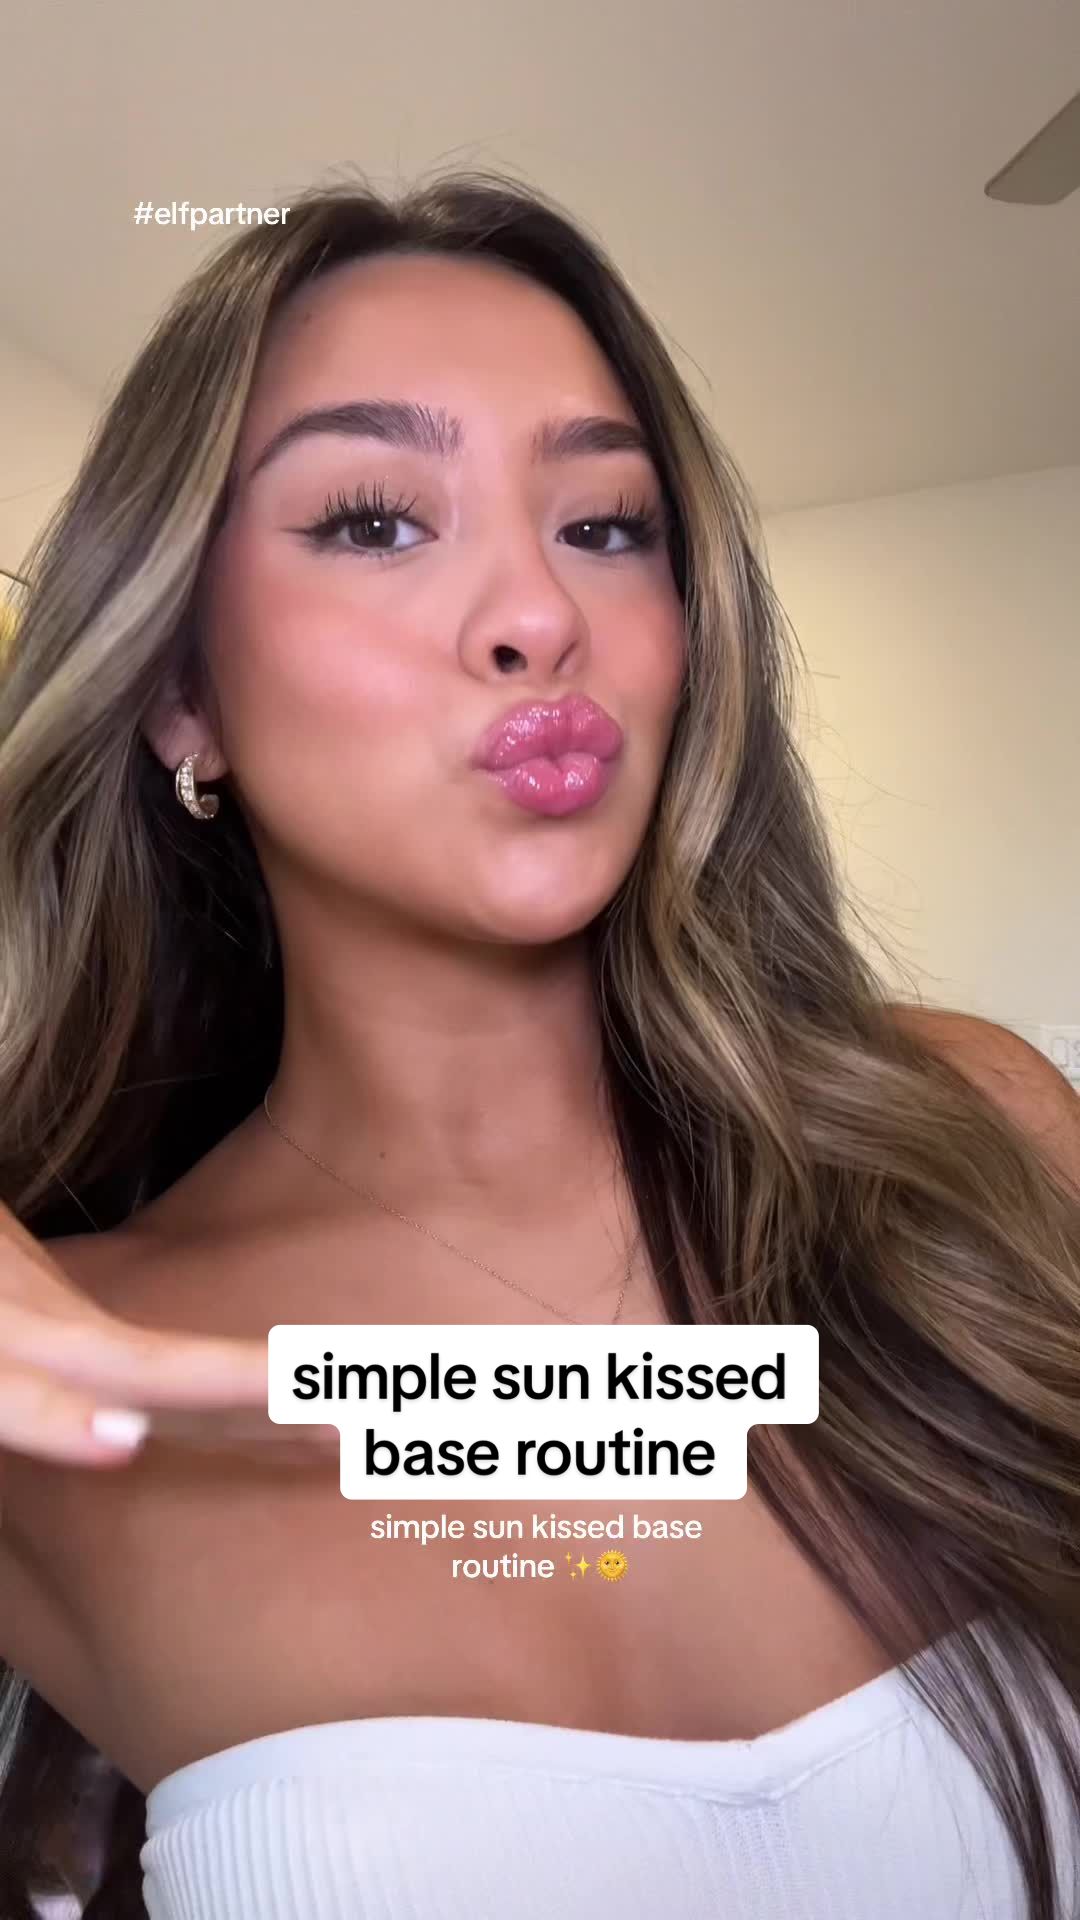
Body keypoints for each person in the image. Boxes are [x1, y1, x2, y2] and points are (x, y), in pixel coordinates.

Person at [0, 170, 1078, 1920]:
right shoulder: (63, 1388)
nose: (539, 613)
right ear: (181, 690)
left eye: (607, 525)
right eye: (373, 520)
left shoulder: (968, 1140)